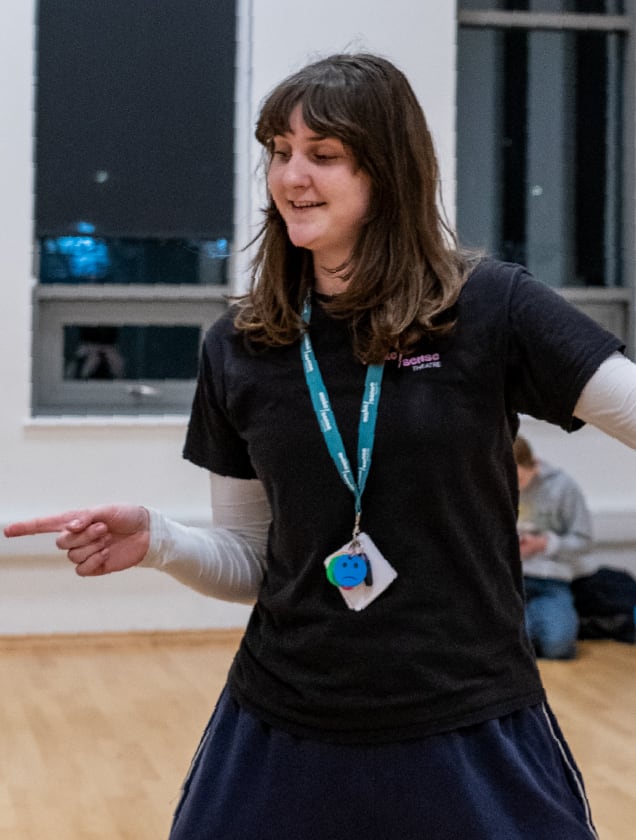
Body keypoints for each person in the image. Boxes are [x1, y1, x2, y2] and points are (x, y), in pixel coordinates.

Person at [6, 52, 636, 839]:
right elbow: (255, 559)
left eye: (323, 154)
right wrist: (160, 540)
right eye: (279, 150)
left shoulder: (488, 307)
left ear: (388, 170)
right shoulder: (240, 344)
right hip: (282, 725)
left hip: (467, 722)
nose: (290, 174)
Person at [514, 435, 592, 660]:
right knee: (513, 648)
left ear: (532, 465)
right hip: (510, 581)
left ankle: (540, 622)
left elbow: (583, 541)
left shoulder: (562, 486)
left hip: (552, 580)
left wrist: (545, 544)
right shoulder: (492, 487)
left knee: (558, 647)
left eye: (517, 478)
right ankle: (530, 626)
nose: (513, 486)